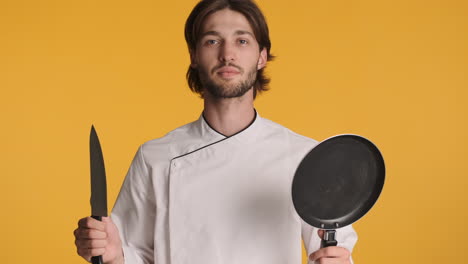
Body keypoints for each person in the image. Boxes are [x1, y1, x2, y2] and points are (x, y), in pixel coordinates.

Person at [73, 0, 357, 263]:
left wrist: (336, 260)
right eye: (212, 41)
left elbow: (333, 248)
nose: (227, 54)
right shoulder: (155, 157)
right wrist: (114, 254)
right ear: (194, 55)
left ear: (261, 57)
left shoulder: (304, 156)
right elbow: (136, 254)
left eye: (242, 41)